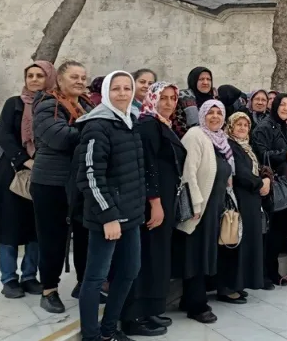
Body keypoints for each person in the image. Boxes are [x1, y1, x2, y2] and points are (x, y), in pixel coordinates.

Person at [75, 71, 145, 341]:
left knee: (129, 271)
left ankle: (108, 330)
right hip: (107, 216)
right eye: (116, 89)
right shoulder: (98, 125)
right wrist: (108, 216)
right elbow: (90, 176)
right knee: (95, 279)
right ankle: (91, 336)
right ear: (106, 92)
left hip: (131, 215)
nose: (123, 93)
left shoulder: (129, 122)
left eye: (127, 88)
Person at [0, 61, 55, 299]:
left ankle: (29, 276)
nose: (33, 79)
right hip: (11, 172)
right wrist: (24, 159)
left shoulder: (53, 106)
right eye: (30, 75)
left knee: (36, 226)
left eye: (39, 75)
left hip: (42, 173)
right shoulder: (14, 103)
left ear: (48, 78)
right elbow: (5, 135)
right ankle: (9, 278)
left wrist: (40, 162)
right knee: (7, 224)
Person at [121, 82, 186, 336]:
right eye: (163, 98)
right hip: (153, 204)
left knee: (156, 257)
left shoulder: (162, 123)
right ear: (152, 99)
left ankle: (149, 310)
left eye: (172, 98)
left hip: (164, 200)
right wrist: (155, 203)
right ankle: (133, 317)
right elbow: (148, 166)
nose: (169, 103)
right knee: (145, 258)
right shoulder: (148, 124)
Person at [30, 60, 94, 313]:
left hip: (80, 182)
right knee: (52, 238)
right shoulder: (46, 105)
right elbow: (60, 137)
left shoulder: (87, 104)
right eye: (74, 77)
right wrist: (94, 128)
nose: (80, 81)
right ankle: (49, 290)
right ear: (59, 80)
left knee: (85, 235)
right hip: (51, 183)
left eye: (83, 77)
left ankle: (83, 283)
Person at [175, 100, 234, 323]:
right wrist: (195, 205)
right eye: (211, 113)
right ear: (202, 115)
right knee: (195, 255)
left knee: (203, 254)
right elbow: (188, 173)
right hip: (199, 207)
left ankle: (190, 299)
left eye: (220, 113)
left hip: (214, 206)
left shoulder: (221, 140)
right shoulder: (195, 135)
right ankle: (196, 305)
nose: (215, 117)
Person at [219, 113, 272, 301]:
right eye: (238, 125)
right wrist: (261, 184)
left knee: (245, 242)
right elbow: (241, 173)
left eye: (245, 125)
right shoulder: (230, 146)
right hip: (240, 198)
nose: (242, 128)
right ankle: (227, 286)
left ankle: (238, 283)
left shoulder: (246, 147)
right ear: (231, 127)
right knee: (235, 242)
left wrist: (266, 179)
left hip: (250, 199)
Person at [253, 94, 287, 288]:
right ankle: (263, 273)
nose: (286, 108)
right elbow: (261, 153)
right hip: (270, 186)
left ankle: (272, 271)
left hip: (283, 188)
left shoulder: (283, 127)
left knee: (278, 232)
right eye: (283, 104)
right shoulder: (264, 127)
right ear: (276, 105)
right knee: (268, 232)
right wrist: (285, 155)